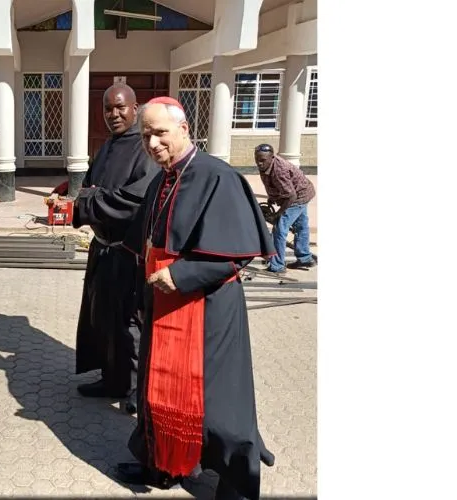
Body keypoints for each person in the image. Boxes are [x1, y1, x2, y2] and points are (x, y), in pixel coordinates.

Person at [117, 97, 275, 500]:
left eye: (160, 133)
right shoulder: (162, 179)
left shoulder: (218, 176)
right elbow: (146, 241)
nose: (152, 143)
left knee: (219, 408)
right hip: (162, 302)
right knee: (157, 392)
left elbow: (236, 253)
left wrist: (182, 274)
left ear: (184, 129)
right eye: (146, 136)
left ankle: (236, 486)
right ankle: (161, 464)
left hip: (208, 308)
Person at [56, 83, 160, 414]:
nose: (113, 114)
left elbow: (134, 200)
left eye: (120, 107)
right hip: (102, 248)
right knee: (102, 318)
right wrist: (69, 197)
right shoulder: (107, 146)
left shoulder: (145, 148)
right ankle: (112, 379)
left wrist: (84, 205)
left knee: (130, 323)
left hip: (128, 253)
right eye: (107, 109)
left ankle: (135, 389)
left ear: (135, 108)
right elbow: (90, 186)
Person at [254, 144, 317, 273]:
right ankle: (305, 258)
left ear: (272, 157)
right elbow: (274, 184)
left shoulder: (279, 171)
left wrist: (278, 214)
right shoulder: (267, 165)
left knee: (279, 229)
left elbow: (291, 196)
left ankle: (277, 265)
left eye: (263, 160)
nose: (259, 163)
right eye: (257, 159)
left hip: (298, 197)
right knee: (301, 226)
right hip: (301, 192)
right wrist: (272, 197)